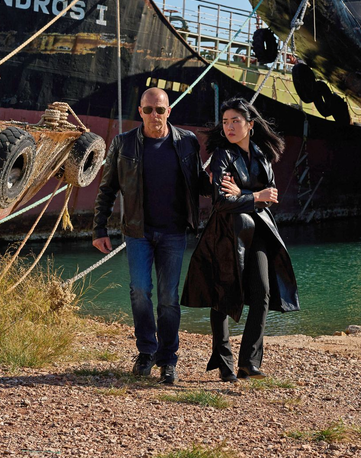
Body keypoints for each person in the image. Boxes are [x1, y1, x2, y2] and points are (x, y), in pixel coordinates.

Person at [92, 87, 210, 384]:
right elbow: (107, 189)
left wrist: (224, 181)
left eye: (160, 110)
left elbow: (198, 183)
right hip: (137, 232)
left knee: (169, 298)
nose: (154, 115)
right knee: (140, 291)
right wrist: (99, 229)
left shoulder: (187, 142)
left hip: (173, 232)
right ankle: (146, 351)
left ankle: (168, 359)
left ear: (169, 111)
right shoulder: (123, 143)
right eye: (148, 110)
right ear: (140, 112)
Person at [181, 97, 299, 382]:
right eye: (225, 122)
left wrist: (243, 193)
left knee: (263, 293)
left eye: (235, 121)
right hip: (225, 232)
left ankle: (249, 361)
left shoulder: (261, 153)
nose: (230, 126)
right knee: (222, 296)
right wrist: (254, 196)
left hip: (257, 232)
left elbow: (271, 198)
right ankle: (224, 363)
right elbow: (221, 202)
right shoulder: (222, 155)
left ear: (251, 125)